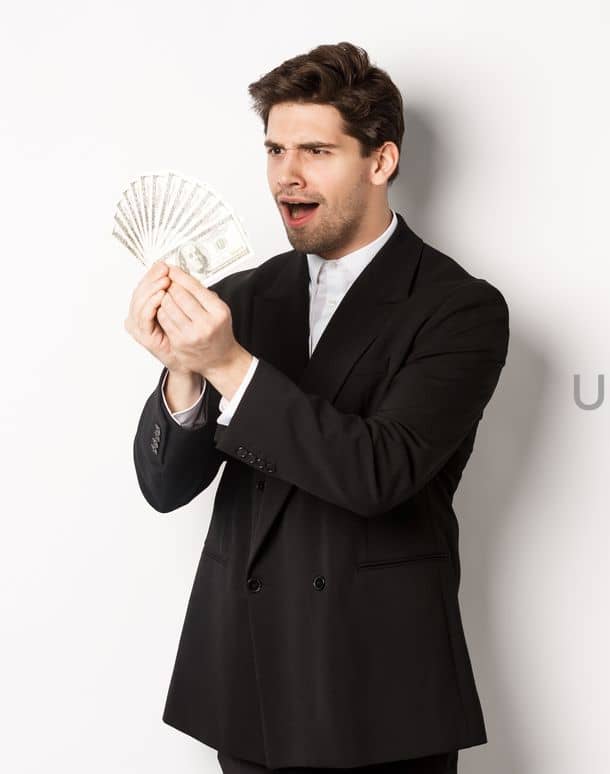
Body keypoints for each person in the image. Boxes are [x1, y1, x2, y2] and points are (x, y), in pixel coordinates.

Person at [124, 41, 506, 773]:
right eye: (274, 149)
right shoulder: (240, 296)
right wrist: (182, 374)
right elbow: (165, 487)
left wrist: (230, 365)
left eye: (315, 151)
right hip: (250, 681)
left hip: (379, 689)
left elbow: (377, 473)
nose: (286, 176)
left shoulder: (459, 309)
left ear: (381, 160)